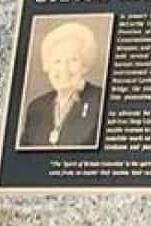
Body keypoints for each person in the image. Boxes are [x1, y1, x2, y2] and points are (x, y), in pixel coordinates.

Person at [19, 20, 103, 148]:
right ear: (47, 65)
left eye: (73, 60)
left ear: (85, 65)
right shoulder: (36, 108)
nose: (64, 69)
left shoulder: (101, 101)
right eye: (57, 61)